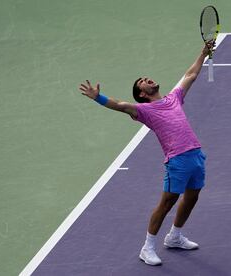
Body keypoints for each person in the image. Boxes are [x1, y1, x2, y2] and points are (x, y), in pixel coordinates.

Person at [79, 41, 214, 266]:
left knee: (192, 197)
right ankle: (147, 247)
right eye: (143, 81)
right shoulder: (143, 110)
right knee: (167, 202)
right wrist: (98, 97)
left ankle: (174, 237)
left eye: (146, 77)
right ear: (142, 93)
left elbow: (190, 75)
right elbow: (120, 105)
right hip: (177, 161)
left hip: (195, 155)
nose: (148, 79)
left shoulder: (174, 98)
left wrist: (202, 53)